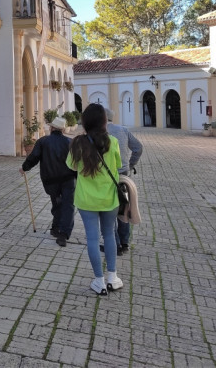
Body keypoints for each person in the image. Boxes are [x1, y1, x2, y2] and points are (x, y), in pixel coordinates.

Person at [66, 103, 123, 295]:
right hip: (109, 198)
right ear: (104, 122)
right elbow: (118, 165)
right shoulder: (112, 142)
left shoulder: (77, 144)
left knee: (92, 238)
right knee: (109, 235)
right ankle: (113, 278)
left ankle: (98, 281)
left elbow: (72, 167)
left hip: (86, 199)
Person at [19, 117, 77, 247]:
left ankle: (56, 228)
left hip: (51, 180)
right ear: (62, 129)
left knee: (57, 202)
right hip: (68, 179)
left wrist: (24, 168)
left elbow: (34, 157)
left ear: (51, 128)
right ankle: (63, 234)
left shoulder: (43, 141)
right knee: (68, 205)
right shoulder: (70, 142)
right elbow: (76, 162)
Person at [105, 108, 143, 253]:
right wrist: (131, 164)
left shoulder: (98, 132)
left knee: (110, 210)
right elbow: (138, 148)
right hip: (124, 175)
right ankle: (125, 242)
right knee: (124, 208)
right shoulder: (123, 130)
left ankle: (115, 244)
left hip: (108, 177)